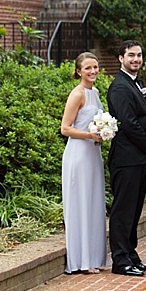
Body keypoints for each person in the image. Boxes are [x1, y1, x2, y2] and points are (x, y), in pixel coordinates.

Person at [59, 52, 110, 274]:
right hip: (79, 153)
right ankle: (82, 260)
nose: (93, 71)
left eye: (95, 67)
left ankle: (94, 257)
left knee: (93, 203)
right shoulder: (77, 94)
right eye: (88, 68)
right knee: (80, 203)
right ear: (79, 71)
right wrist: (89, 135)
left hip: (93, 153)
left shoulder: (95, 93)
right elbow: (65, 128)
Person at [106, 41, 146, 276]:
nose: (136, 59)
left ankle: (131, 253)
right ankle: (120, 259)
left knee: (134, 210)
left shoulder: (134, 84)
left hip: (138, 158)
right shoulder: (120, 87)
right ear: (121, 58)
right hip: (126, 158)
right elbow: (129, 123)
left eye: (139, 55)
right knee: (123, 210)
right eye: (131, 55)